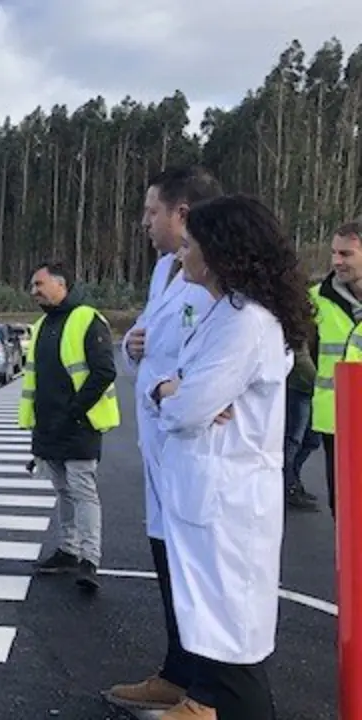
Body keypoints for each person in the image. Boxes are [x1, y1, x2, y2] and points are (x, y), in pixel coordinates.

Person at [143, 193, 314, 719]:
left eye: (190, 245)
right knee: (219, 647)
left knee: (234, 659)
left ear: (221, 253)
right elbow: (189, 395)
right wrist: (175, 391)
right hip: (206, 500)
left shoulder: (246, 324)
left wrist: (174, 392)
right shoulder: (227, 313)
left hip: (228, 507)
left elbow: (189, 406)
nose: (181, 254)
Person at [105, 166, 223, 709]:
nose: (145, 222)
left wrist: (190, 389)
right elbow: (148, 340)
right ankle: (177, 672)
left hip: (197, 447)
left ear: (183, 213)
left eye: (153, 211)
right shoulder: (164, 271)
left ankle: (205, 692)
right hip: (160, 443)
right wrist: (134, 346)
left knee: (200, 577)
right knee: (166, 562)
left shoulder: (222, 277)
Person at [19, 261, 119, 591]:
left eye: (39, 284)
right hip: (50, 426)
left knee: (82, 490)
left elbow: (104, 371)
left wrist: (75, 412)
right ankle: (68, 550)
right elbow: (36, 380)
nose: (33, 291)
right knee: (63, 491)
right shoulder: (42, 325)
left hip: (79, 423)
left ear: (61, 285)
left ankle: (90, 559)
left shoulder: (87, 319)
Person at [308, 221, 362, 518]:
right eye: (334, 253)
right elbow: (300, 350)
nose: (337, 262)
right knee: (343, 510)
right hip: (338, 422)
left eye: (347, 254)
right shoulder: (317, 299)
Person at [282, 342, 321, 511]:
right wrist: (320, 383)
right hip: (299, 387)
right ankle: (288, 487)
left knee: (312, 440)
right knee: (293, 441)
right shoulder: (301, 321)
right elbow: (300, 356)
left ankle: (293, 480)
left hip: (315, 390)